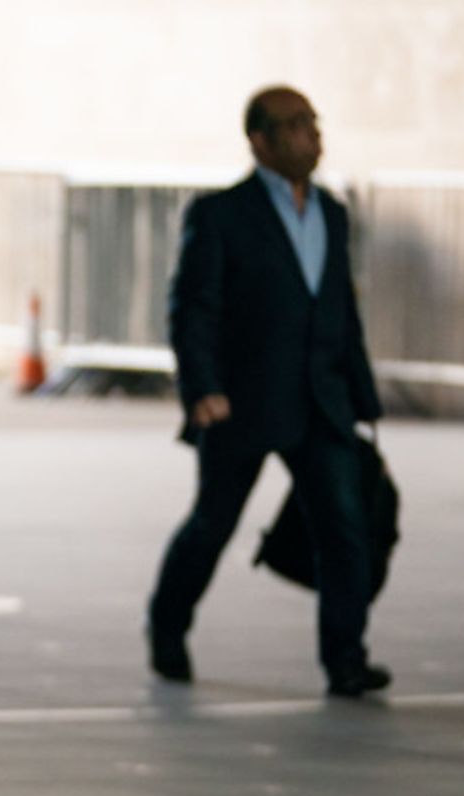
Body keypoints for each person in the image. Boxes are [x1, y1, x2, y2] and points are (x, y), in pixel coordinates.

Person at [145, 85, 389, 699]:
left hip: (322, 402)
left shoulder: (333, 213)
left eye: (313, 123)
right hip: (244, 404)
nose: (312, 136)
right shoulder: (221, 215)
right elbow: (191, 309)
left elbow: (339, 310)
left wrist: (362, 397)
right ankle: (167, 626)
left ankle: (346, 659)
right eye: (295, 126)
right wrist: (202, 388)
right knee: (212, 524)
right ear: (260, 141)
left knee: (344, 530)